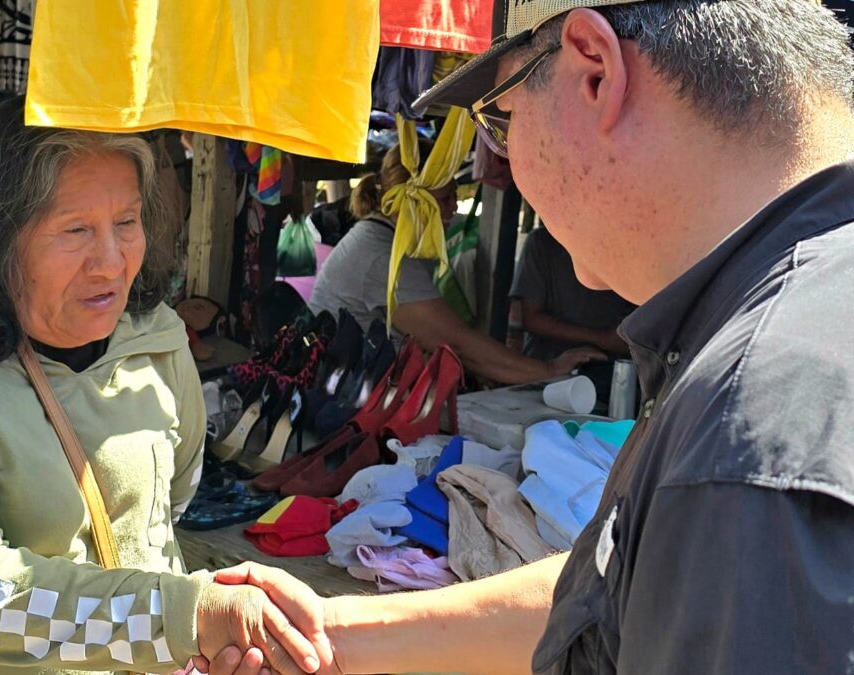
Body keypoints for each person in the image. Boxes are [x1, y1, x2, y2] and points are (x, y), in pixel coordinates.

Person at [201, 1, 854, 673]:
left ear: (594, 71)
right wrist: (330, 636)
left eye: (501, 118)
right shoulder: (798, 320)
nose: (504, 156)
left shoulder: (747, 428)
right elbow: (623, 582)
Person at [0, 98, 321, 675]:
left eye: (127, 222)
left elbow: (167, 506)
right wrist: (184, 617)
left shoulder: (156, 340)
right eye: (75, 230)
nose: (111, 262)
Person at [307, 141, 602, 385]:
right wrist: (549, 371)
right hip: (340, 404)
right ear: (413, 199)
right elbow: (456, 343)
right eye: (446, 198)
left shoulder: (385, 240)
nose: (452, 208)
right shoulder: (382, 255)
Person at [510, 226, 635, 359]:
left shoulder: (626, 246)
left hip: (613, 364)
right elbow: (530, 318)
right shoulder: (542, 242)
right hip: (548, 363)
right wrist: (600, 338)